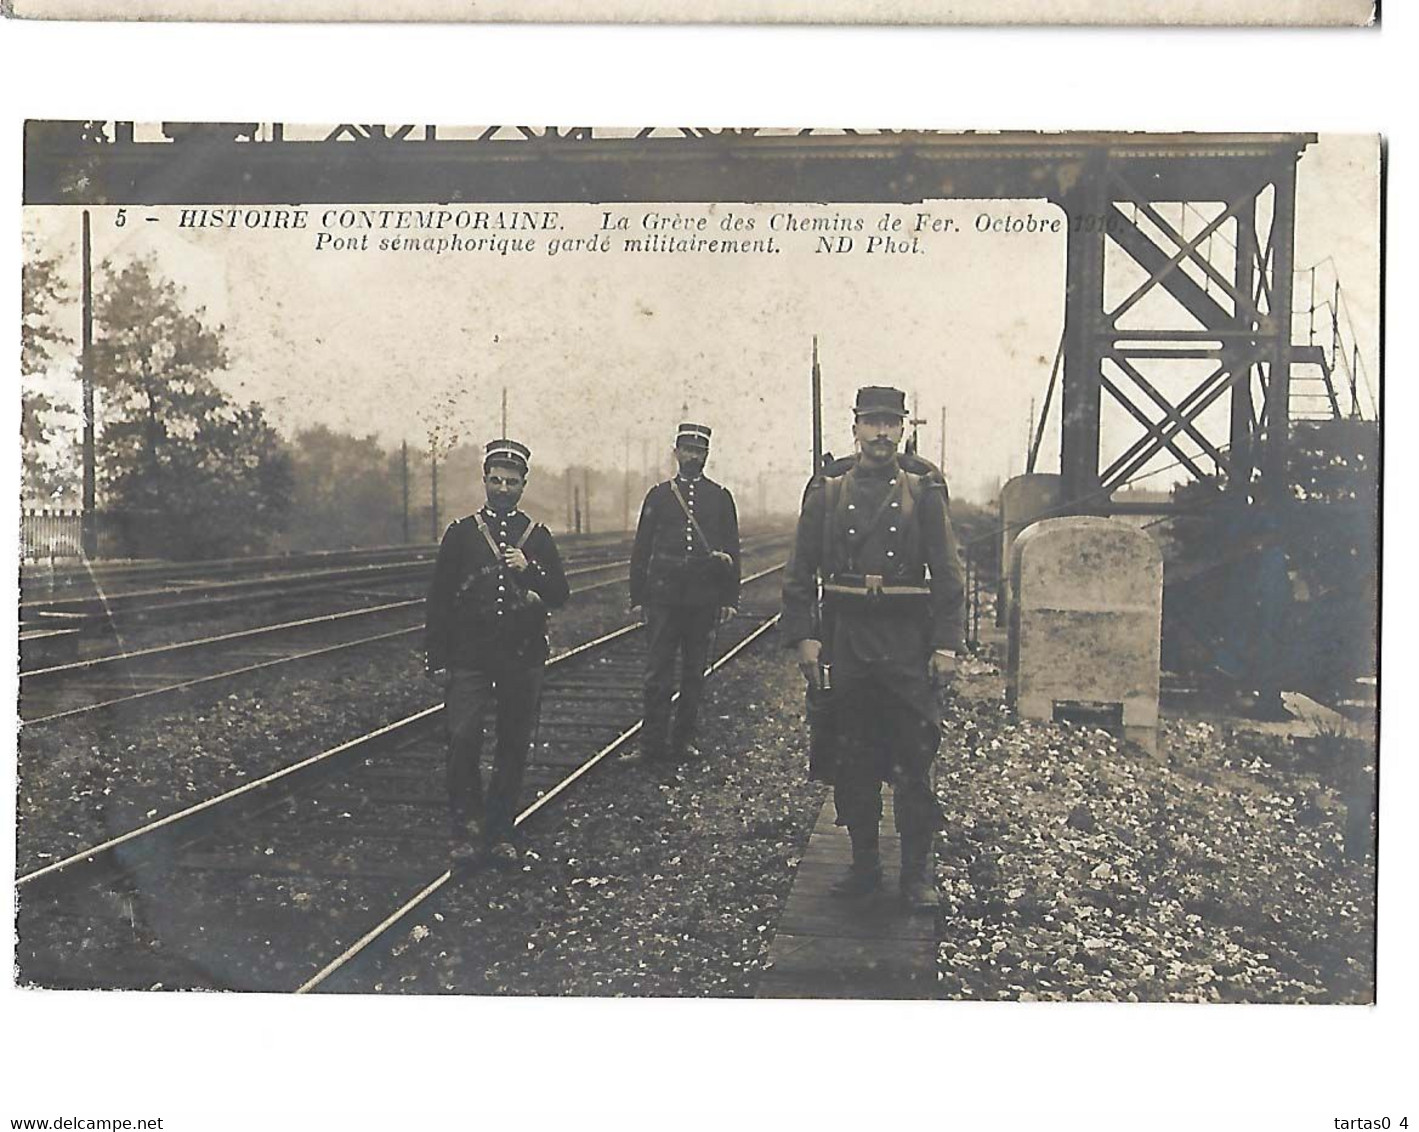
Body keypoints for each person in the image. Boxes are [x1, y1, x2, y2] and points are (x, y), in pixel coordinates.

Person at [780, 386, 966, 910]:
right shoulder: (828, 491)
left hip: (907, 645)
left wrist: (947, 645)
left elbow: (949, 575)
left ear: (903, 427)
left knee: (914, 763)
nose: (882, 432)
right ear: (856, 427)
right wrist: (806, 637)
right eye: (872, 422)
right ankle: (864, 868)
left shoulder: (924, 491)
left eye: (891, 422)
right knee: (853, 762)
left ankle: (915, 877)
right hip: (849, 643)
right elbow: (799, 573)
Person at [425, 438, 569, 867]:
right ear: (484, 481)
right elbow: (439, 600)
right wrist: (436, 659)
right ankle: (465, 830)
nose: (502, 488)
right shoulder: (461, 534)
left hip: (520, 658)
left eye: (511, 481)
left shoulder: (537, 537)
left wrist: (532, 569)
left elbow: (560, 593)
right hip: (469, 656)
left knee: (512, 745)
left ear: (524, 484)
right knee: (463, 739)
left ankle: (501, 830)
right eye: (495, 480)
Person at [629, 422, 741, 762]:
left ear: (707, 454)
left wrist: (729, 598)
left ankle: (683, 742)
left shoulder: (720, 497)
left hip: (702, 599)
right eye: (687, 450)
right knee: (656, 674)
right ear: (676, 453)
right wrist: (637, 595)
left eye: (699, 451)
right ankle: (651, 745)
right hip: (664, 597)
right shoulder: (659, 496)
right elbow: (642, 546)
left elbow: (732, 548)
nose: (693, 457)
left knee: (695, 673)